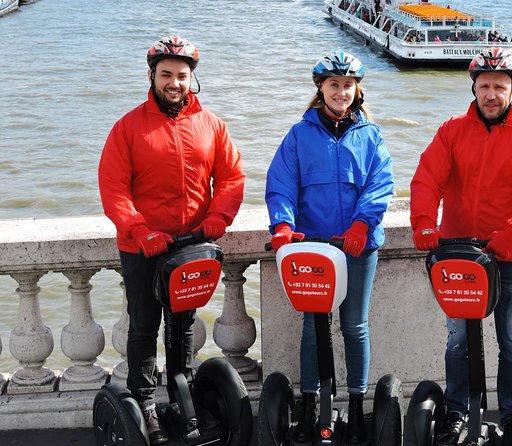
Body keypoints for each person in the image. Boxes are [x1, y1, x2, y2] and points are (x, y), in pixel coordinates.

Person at [409, 47, 512, 446]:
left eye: (499, 86)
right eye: (484, 86)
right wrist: (425, 223)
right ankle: (457, 412)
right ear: (474, 88)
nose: (491, 94)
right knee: (458, 340)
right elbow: (427, 180)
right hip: (459, 254)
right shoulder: (452, 131)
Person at [98, 36, 245, 444]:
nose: (174, 82)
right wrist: (139, 230)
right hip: (143, 246)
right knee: (144, 325)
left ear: (192, 79)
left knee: (182, 326)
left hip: (191, 244)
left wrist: (218, 216)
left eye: (182, 75)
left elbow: (231, 177)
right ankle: (144, 401)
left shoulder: (212, 125)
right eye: (166, 74)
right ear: (152, 76)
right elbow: (113, 188)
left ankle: (183, 394)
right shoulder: (128, 127)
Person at [265, 50, 394, 444]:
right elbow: (281, 183)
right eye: (334, 85)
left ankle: (355, 407)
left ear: (357, 91)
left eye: (348, 86)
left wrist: (362, 222)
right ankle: (310, 406)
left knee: (354, 326)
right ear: (320, 89)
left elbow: (381, 183)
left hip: (357, 245)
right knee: (312, 328)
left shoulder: (370, 135)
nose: (341, 92)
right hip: (313, 247)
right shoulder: (299, 135)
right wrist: (283, 225)